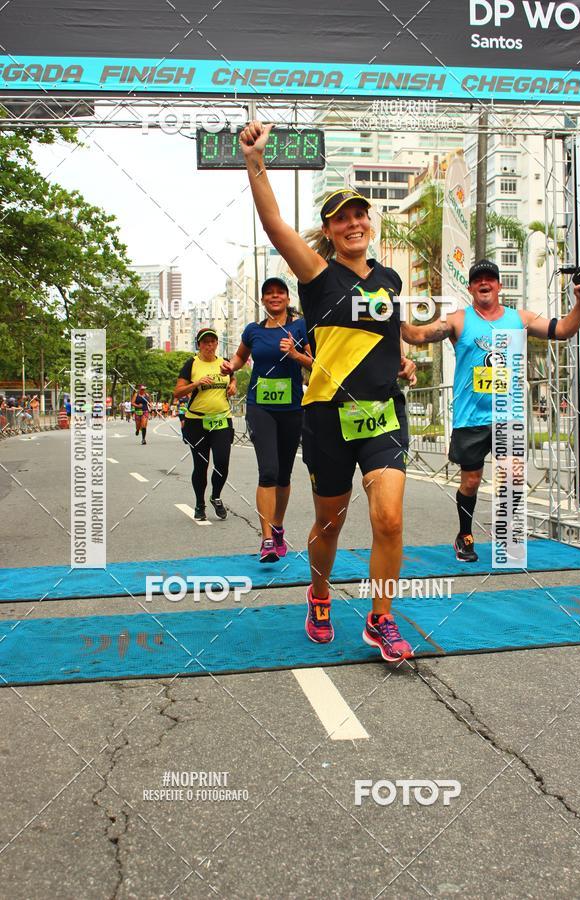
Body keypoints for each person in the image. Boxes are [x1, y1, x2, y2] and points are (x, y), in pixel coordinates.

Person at [240, 121, 417, 663]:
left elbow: (387, 334)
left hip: (382, 413)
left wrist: (403, 359)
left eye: (360, 214)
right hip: (325, 414)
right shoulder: (317, 275)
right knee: (329, 522)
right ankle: (318, 594)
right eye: (342, 217)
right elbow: (274, 225)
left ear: (370, 222)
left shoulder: (390, 280)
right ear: (330, 230)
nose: (354, 222)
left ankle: (380, 618)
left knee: (388, 518)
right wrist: (255, 160)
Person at [402, 258, 580, 562]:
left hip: (508, 416)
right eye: (478, 279)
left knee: (512, 479)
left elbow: (565, 329)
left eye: (490, 278)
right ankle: (464, 535)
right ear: (470, 287)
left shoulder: (520, 319)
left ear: (500, 286)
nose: (484, 283)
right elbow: (417, 335)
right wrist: (391, 315)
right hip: (471, 417)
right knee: (472, 481)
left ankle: (509, 542)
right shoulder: (459, 319)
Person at [221, 276, 313, 562]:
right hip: (259, 406)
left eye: (280, 293)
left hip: (291, 408)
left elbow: (315, 363)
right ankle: (266, 540)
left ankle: (277, 526)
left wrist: (295, 354)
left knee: (283, 475)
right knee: (268, 471)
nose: (274, 297)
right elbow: (240, 358)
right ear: (262, 300)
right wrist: (230, 366)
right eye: (269, 293)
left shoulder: (300, 327)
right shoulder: (252, 331)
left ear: (287, 298)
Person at [174, 326, 237, 521]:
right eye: (205, 342)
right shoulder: (191, 364)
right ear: (199, 345)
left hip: (221, 420)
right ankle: (199, 503)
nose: (209, 345)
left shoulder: (224, 363)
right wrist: (196, 383)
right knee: (201, 465)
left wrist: (233, 386)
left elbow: (232, 379)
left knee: (222, 463)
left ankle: (215, 496)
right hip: (196, 422)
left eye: (212, 342)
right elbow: (178, 392)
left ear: (217, 343)